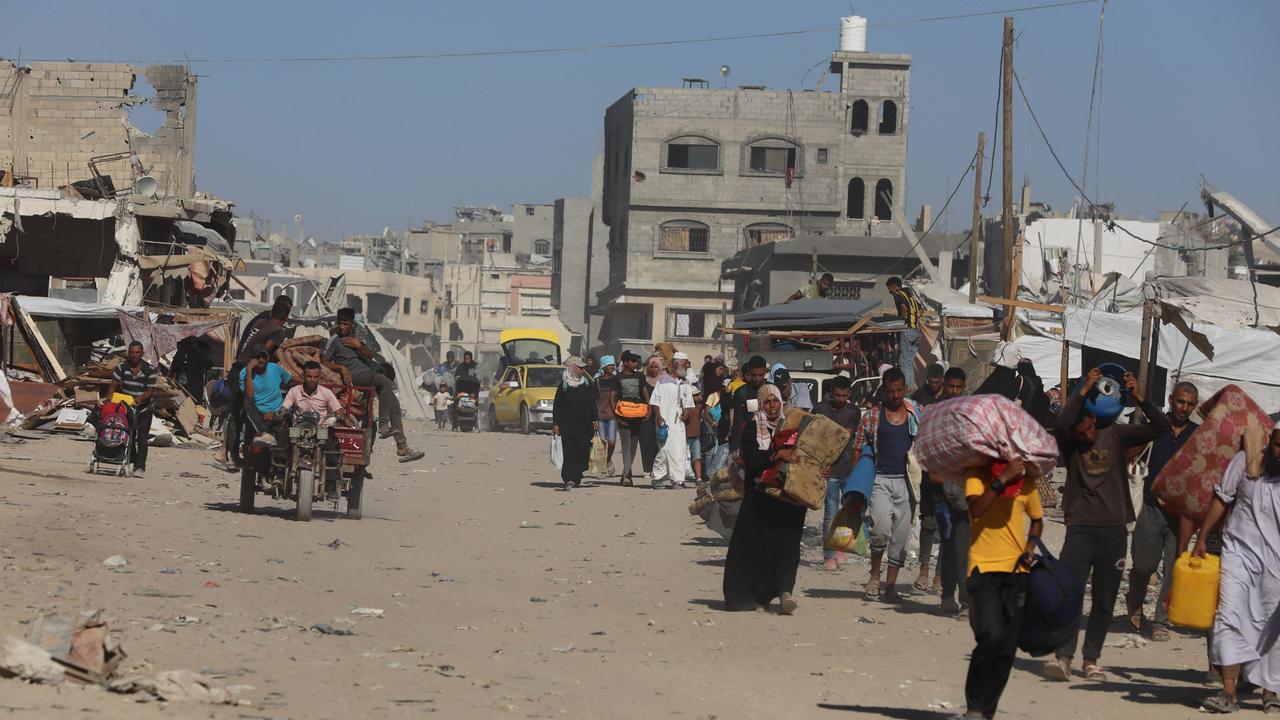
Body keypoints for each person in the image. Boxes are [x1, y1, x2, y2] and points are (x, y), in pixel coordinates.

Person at [1042, 367, 1169, 683]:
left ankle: (1091, 660)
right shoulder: (1071, 443)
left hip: (1113, 530)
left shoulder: (1118, 435)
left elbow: (1161, 426)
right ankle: (1064, 656)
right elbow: (1060, 422)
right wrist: (1083, 389)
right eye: (1080, 427)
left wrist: (1139, 396)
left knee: (1104, 600)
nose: (1085, 432)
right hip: (1081, 529)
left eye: (1087, 426)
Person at [1194, 427, 1280, 714]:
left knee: (1273, 625)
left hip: (1276, 564)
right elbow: (1222, 498)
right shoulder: (1245, 461)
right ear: (1270, 442)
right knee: (1228, 615)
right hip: (1238, 554)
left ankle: (1271, 690)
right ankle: (1228, 690)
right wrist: (1203, 536)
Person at [962, 457, 1044, 719]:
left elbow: (1037, 519)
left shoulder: (1028, 482)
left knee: (1007, 649)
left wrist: (1030, 547)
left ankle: (987, 711)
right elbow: (976, 510)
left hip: (1016, 574)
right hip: (982, 570)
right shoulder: (976, 475)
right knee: (990, 636)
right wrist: (1002, 480)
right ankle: (974, 706)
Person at [1124, 381, 1200, 642]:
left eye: (1190, 404)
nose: (1184, 408)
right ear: (1171, 399)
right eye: (1181, 402)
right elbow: (1130, 454)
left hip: (1181, 515)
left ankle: (1160, 621)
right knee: (1144, 566)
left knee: (1173, 569)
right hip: (1151, 507)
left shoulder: (1198, 435)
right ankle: (1134, 604)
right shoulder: (1156, 428)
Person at [722, 384, 805, 615]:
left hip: (788, 499)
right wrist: (777, 454)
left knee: (787, 545)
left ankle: (785, 591)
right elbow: (753, 460)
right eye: (767, 402)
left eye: (775, 401)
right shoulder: (751, 429)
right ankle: (751, 596)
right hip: (759, 500)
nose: (772, 406)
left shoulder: (792, 425)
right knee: (755, 547)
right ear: (760, 404)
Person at [854, 367, 924, 602]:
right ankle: (874, 576)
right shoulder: (872, 416)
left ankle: (890, 586)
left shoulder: (916, 414)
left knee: (901, 537)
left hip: (907, 483)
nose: (895, 395)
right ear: (884, 391)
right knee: (880, 529)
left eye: (899, 390)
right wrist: (855, 483)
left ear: (905, 389)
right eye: (891, 391)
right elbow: (858, 447)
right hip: (880, 480)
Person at [321, 307, 424, 463]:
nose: (342, 327)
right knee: (386, 382)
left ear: (352, 324)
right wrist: (340, 368)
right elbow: (323, 361)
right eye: (340, 323)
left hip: (369, 373)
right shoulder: (334, 340)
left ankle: (402, 446)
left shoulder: (360, 333)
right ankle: (383, 425)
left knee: (394, 405)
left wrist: (358, 346)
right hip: (357, 376)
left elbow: (370, 354)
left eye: (345, 324)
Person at [936, 367, 973, 615]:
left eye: (959, 387)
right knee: (948, 545)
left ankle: (966, 601)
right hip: (940, 492)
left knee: (963, 547)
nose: (954, 391)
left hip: (964, 491)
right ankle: (948, 594)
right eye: (951, 387)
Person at [814, 375, 860, 571]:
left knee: (847, 513)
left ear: (849, 394)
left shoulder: (853, 412)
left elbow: (848, 438)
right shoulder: (820, 410)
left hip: (848, 468)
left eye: (844, 396)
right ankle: (829, 556)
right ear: (831, 393)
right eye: (838, 395)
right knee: (831, 513)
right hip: (829, 469)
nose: (841, 399)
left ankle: (841, 549)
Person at [911, 362, 948, 594]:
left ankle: (939, 575)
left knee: (946, 526)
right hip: (925, 467)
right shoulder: (918, 396)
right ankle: (923, 570)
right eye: (931, 381)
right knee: (928, 523)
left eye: (938, 381)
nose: (934, 385)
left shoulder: (951, 399)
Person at [106, 340, 157, 477]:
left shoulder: (150, 370)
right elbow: (113, 384)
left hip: (144, 408)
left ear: (142, 353)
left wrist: (139, 399)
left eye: (137, 352)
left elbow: (150, 391)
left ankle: (140, 467)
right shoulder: (121, 367)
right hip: (127, 408)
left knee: (142, 438)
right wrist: (109, 399)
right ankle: (131, 462)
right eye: (132, 352)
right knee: (129, 436)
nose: (134, 355)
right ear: (128, 353)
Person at [552, 357, 598, 490]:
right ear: (572, 368)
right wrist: (556, 424)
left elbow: (592, 403)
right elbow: (558, 406)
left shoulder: (587, 384)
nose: (583, 370)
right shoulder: (564, 386)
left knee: (583, 451)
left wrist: (596, 419)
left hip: (585, 425)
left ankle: (576, 475)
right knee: (569, 453)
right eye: (580, 367)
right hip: (568, 426)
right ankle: (568, 479)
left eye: (583, 368)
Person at [650, 353, 693, 490]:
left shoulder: (686, 383)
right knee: (664, 451)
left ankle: (677, 480)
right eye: (685, 363)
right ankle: (657, 478)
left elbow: (688, 403)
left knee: (679, 451)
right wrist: (658, 416)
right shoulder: (662, 381)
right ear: (676, 364)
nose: (687, 365)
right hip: (665, 422)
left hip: (679, 424)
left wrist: (686, 413)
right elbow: (655, 402)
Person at [240, 348, 291, 449]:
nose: (261, 360)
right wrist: (249, 370)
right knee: (246, 402)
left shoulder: (274, 368)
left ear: (268, 358)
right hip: (258, 413)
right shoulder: (244, 373)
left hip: (277, 411)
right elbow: (249, 396)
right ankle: (264, 432)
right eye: (257, 357)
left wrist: (279, 412)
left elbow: (289, 382)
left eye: (263, 357)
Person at [614, 352, 650, 486]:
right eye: (633, 361)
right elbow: (613, 397)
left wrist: (649, 409)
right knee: (625, 445)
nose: (636, 364)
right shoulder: (618, 377)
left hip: (637, 415)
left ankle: (626, 473)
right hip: (623, 415)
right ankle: (627, 475)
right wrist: (616, 416)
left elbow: (645, 392)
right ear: (626, 362)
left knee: (633, 446)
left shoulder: (639, 376)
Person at [886, 276, 923, 390]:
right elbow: (920, 308)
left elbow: (903, 308)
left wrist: (902, 320)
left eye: (889, 289)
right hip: (917, 331)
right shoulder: (910, 295)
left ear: (894, 286)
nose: (889, 292)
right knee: (910, 361)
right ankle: (912, 386)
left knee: (904, 361)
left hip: (908, 330)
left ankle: (908, 388)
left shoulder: (898, 295)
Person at [730, 356, 770, 452]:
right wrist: (734, 448)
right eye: (754, 375)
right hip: (749, 443)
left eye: (760, 375)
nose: (757, 379)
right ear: (749, 373)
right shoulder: (741, 393)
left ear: (765, 372)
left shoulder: (772, 391)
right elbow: (737, 422)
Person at [235, 295, 293, 360]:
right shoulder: (277, 329)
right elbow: (263, 353)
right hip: (248, 364)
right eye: (286, 311)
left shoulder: (261, 321)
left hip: (241, 360)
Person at [639, 355, 665, 479]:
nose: (654, 369)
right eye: (652, 367)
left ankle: (657, 468)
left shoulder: (664, 381)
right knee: (646, 441)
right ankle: (647, 468)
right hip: (646, 415)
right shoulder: (643, 380)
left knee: (658, 441)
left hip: (659, 415)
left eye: (656, 367)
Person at [595, 356, 620, 476]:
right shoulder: (597, 381)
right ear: (604, 367)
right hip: (600, 415)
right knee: (602, 442)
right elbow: (594, 399)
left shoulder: (616, 380)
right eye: (610, 365)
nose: (612, 367)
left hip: (612, 416)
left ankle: (608, 459)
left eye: (613, 365)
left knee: (612, 442)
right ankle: (602, 467)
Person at [170, 337, 213, 403]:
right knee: (194, 407)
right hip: (195, 386)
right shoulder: (201, 347)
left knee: (181, 406)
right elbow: (209, 365)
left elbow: (173, 366)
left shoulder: (182, 349)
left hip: (180, 386)